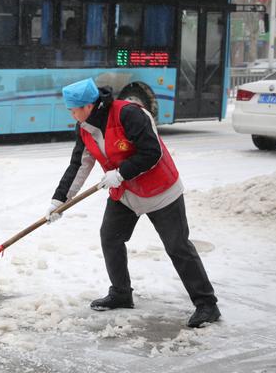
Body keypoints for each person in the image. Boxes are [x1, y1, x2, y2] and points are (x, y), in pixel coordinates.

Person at [46, 78, 219, 328]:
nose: (71, 113)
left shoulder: (128, 114)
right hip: (126, 193)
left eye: (73, 108)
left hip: (160, 190)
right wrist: (59, 200)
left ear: (88, 105)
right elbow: (79, 165)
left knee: (177, 246)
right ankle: (121, 293)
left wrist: (121, 172)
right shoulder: (84, 127)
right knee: (111, 237)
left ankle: (206, 304)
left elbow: (152, 151)